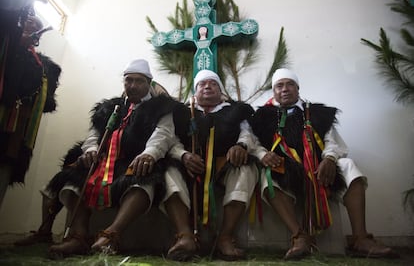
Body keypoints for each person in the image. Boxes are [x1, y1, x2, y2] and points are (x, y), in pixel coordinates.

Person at [44, 59, 190, 258]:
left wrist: (149, 154)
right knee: (71, 181)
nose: (133, 86)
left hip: (136, 160)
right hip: (105, 162)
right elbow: (94, 135)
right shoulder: (110, 107)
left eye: (139, 81)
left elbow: (163, 134)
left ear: (149, 83)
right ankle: (78, 237)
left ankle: (112, 234)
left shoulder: (162, 108)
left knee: (143, 180)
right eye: (128, 80)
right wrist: (90, 150)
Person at [249, 68, 398, 260]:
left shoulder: (318, 113)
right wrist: (262, 155)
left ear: (298, 88)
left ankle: (360, 238)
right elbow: (253, 143)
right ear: (274, 91)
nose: (285, 89)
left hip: (319, 169)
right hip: (285, 169)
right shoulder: (262, 116)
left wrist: (329, 159)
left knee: (349, 166)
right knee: (266, 178)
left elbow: (332, 142)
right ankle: (300, 236)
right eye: (279, 85)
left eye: (290, 84)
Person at [166, 69, 259, 261]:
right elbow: (170, 139)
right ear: (195, 91)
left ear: (220, 90)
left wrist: (240, 146)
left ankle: (225, 237)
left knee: (247, 169)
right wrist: (183, 155)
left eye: (213, 84)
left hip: (224, 164)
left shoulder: (235, 110)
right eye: (202, 84)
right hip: (188, 165)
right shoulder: (182, 112)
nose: (207, 86)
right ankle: (185, 236)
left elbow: (247, 133)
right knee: (167, 171)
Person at [0, 12, 61, 208]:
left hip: (18, 127)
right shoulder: (5, 46)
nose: (30, 26)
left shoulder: (45, 67)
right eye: (27, 22)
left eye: (35, 25)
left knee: (5, 167)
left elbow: (46, 103)